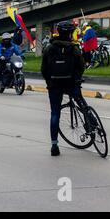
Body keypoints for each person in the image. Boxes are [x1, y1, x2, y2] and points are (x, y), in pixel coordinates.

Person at [41, 21, 86, 157]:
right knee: (83, 105)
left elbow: (44, 69)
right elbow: (81, 66)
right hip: (71, 83)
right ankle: (92, 125)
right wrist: (77, 79)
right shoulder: (74, 48)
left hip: (54, 85)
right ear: (71, 33)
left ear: (58, 31)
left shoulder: (49, 48)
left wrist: (49, 81)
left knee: (55, 113)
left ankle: (54, 145)